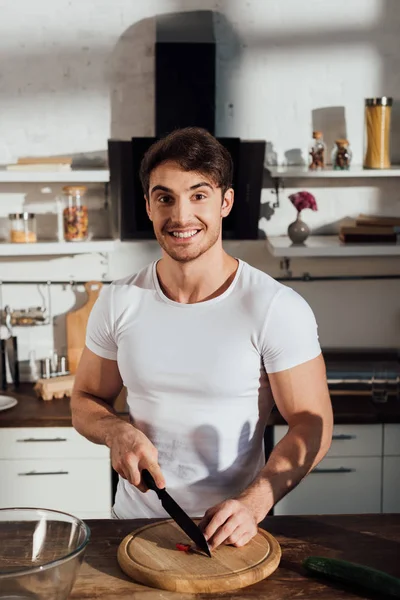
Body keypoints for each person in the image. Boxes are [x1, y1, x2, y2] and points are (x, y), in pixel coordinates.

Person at [71, 127, 333, 551]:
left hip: (233, 533)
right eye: (165, 198)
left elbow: (313, 424)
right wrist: (115, 431)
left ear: (225, 202)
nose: (181, 216)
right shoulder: (118, 300)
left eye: (198, 195)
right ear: (148, 206)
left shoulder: (274, 307)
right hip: (133, 527)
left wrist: (256, 501)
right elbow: (84, 399)